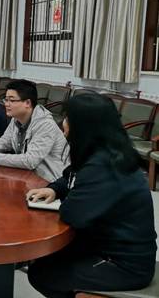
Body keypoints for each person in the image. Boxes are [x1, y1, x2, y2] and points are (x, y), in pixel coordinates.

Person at [26, 93, 157, 298]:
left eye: (68, 118)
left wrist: (68, 198)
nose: (63, 123)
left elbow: (73, 214)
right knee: (43, 260)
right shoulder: (105, 150)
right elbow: (70, 176)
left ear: (83, 125)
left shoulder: (104, 165)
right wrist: (54, 189)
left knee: (42, 274)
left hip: (123, 264)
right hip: (104, 246)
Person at [0, 79, 68, 182]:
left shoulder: (45, 125)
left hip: (49, 180)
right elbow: (5, 141)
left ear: (27, 103)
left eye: (12, 100)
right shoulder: (17, 118)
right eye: (6, 99)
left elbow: (30, 161)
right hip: (27, 176)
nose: (6, 104)